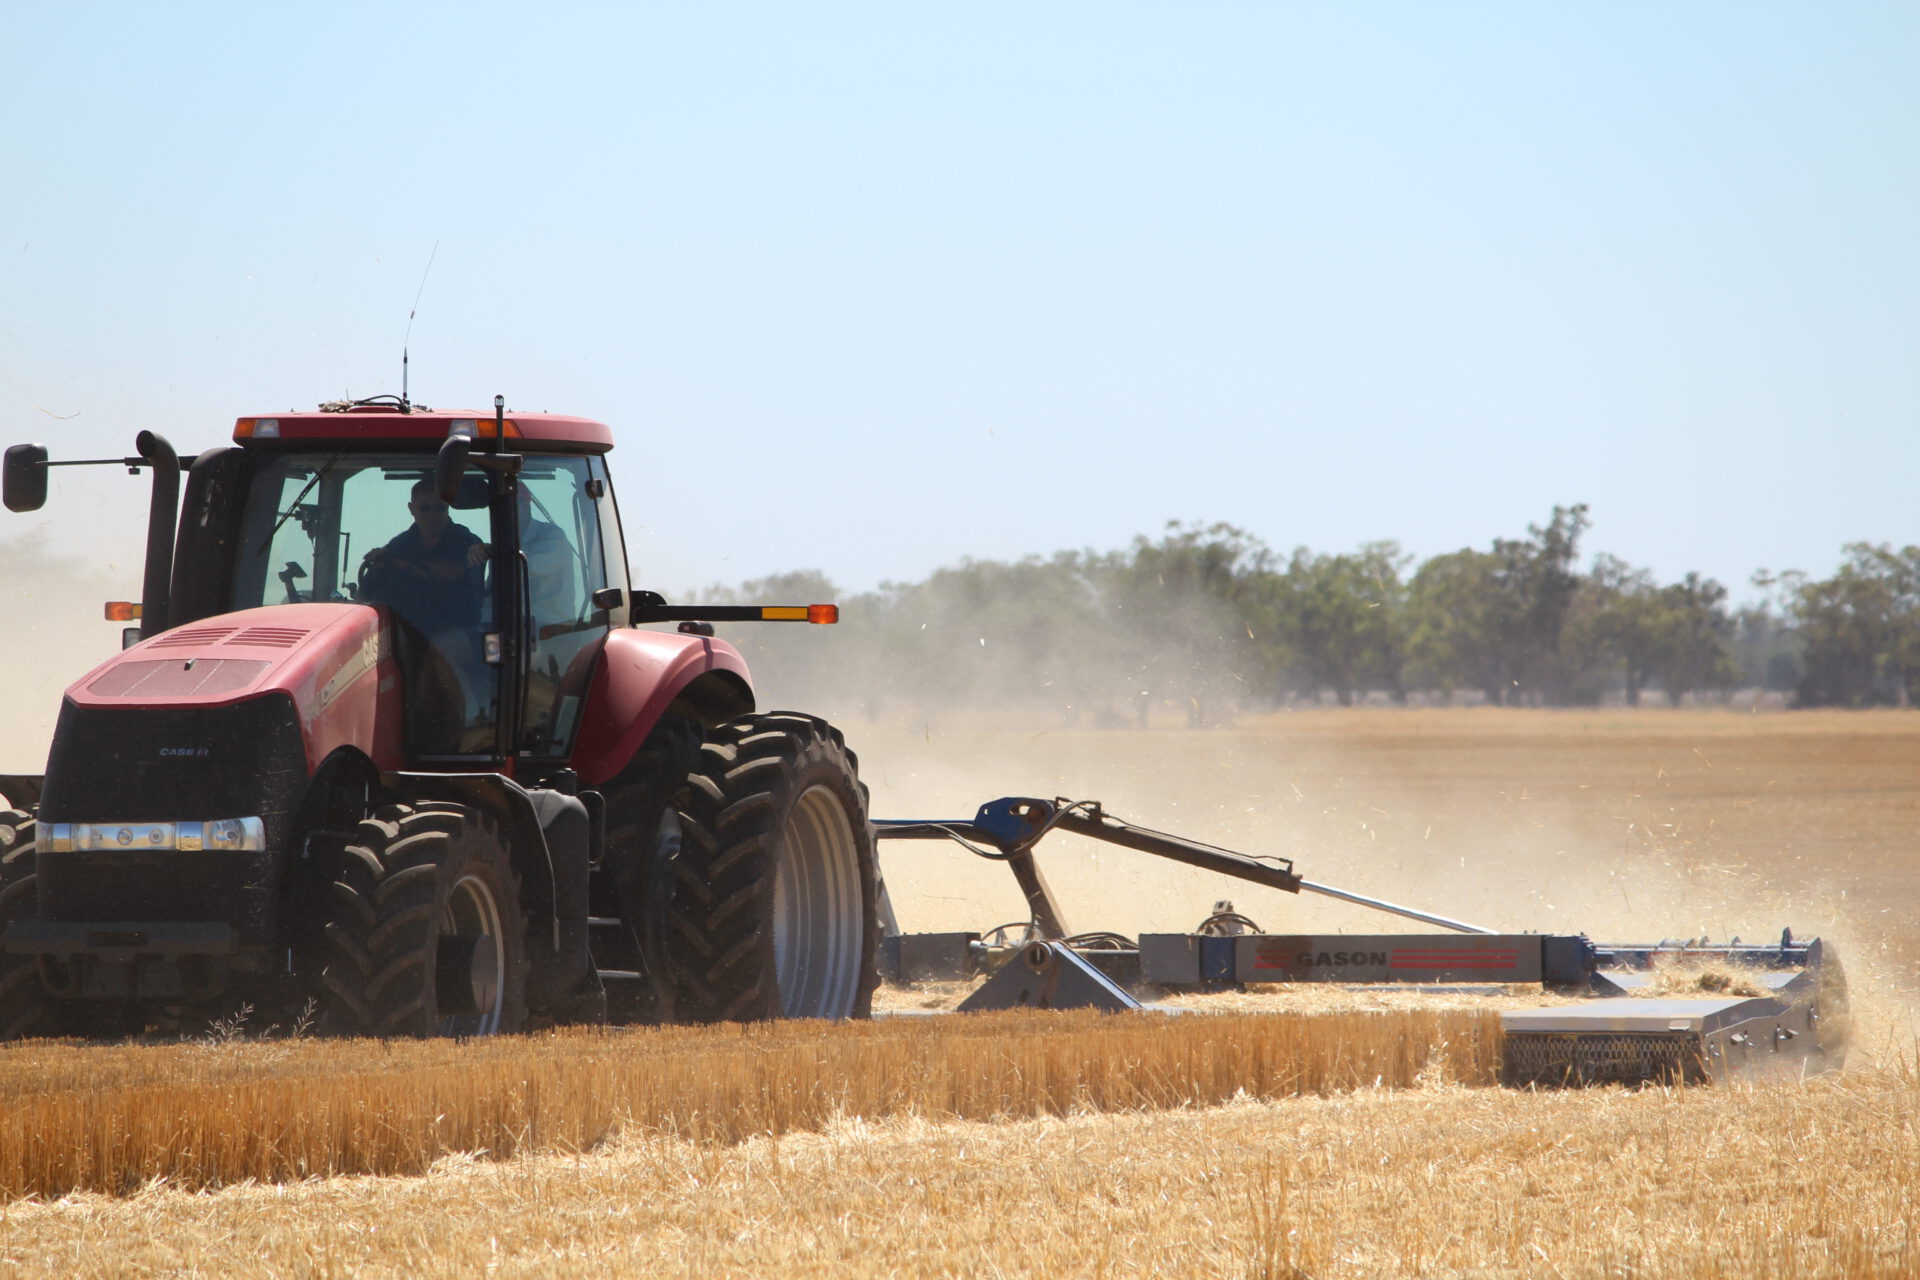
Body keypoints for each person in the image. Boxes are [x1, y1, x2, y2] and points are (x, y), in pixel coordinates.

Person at [361, 480, 488, 633]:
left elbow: (451, 572)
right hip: (409, 623)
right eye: (425, 508)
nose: (433, 515)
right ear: (411, 508)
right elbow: (375, 578)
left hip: (455, 624)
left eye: (440, 508)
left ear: (448, 508)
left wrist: (396, 562)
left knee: (449, 646)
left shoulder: (467, 541)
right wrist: (379, 561)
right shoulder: (400, 543)